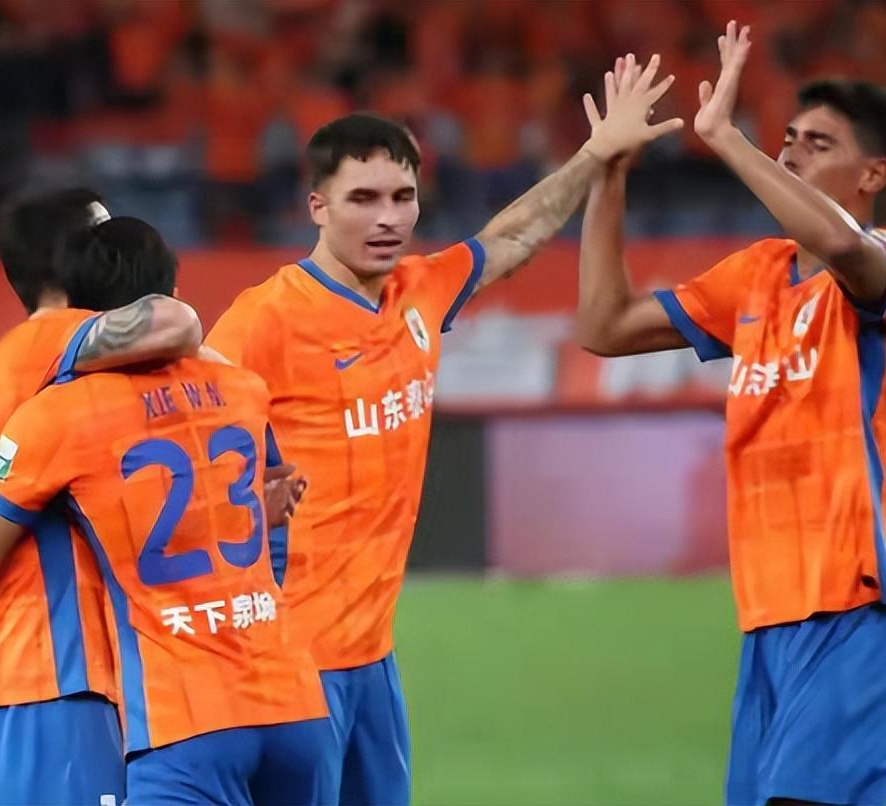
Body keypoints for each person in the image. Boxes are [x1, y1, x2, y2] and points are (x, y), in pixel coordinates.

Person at [206, 57, 682, 804]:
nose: (388, 217)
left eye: (402, 197)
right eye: (363, 198)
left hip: (371, 653)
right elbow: (186, 429)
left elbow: (514, 236)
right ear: (317, 207)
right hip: (290, 655)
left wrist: (594, 155)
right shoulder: (263, 321)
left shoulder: (420, 289)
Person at [576, 24, 886, 805]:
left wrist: (726, 140)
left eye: (818, 144)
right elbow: (604, 325)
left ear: (873, 173)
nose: (791, 153)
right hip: (769, 611)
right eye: (789, 139)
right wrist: (609, 175)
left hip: (859, 601)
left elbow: (842, 245)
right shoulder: (757, 276)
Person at [0, 216, 329, 805]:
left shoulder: (62, 415)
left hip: (182, 717)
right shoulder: (243, 389)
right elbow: (253, 497)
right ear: (170, 288)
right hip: (292, 697)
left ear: (84, 313)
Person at [0, 190, 201, 805]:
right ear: (68, 260)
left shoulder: (15, 361)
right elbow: (178, 323)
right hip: (54, 679)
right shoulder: (56, 339)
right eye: (102, 236)